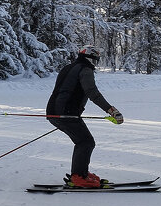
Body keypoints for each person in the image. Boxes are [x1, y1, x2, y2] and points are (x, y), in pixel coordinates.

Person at [46, 45, 124, 188]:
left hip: (54, 111)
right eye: (97, 60)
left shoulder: (68, 67)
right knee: (86, 142)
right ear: (92, 58)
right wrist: (111, 110)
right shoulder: (85, 70)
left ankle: (80, 173)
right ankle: (79, 177)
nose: (96, 63)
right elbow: (92, 92)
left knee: (82, 141)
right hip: (66, 113)